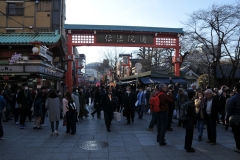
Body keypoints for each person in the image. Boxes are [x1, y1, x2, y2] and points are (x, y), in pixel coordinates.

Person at [226, 83, 240, 153]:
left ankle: (238, 147)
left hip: (236, 118)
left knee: (237, 133)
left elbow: (230, 109)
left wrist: (227, 118)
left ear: (236, 89)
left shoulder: (233, 98)